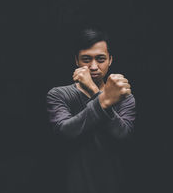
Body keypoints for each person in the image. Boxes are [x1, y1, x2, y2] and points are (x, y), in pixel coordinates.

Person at [46, 27, 136, 193]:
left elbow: (122, 135)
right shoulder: (58, 94)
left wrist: (95, 93)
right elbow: (65, 132)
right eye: (86, 59)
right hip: (73, 184)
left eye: (100, 59)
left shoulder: (124, 97)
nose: (93, 66)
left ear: (110, 60)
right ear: (76, 61)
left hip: (114, 183)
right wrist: (104, 100)